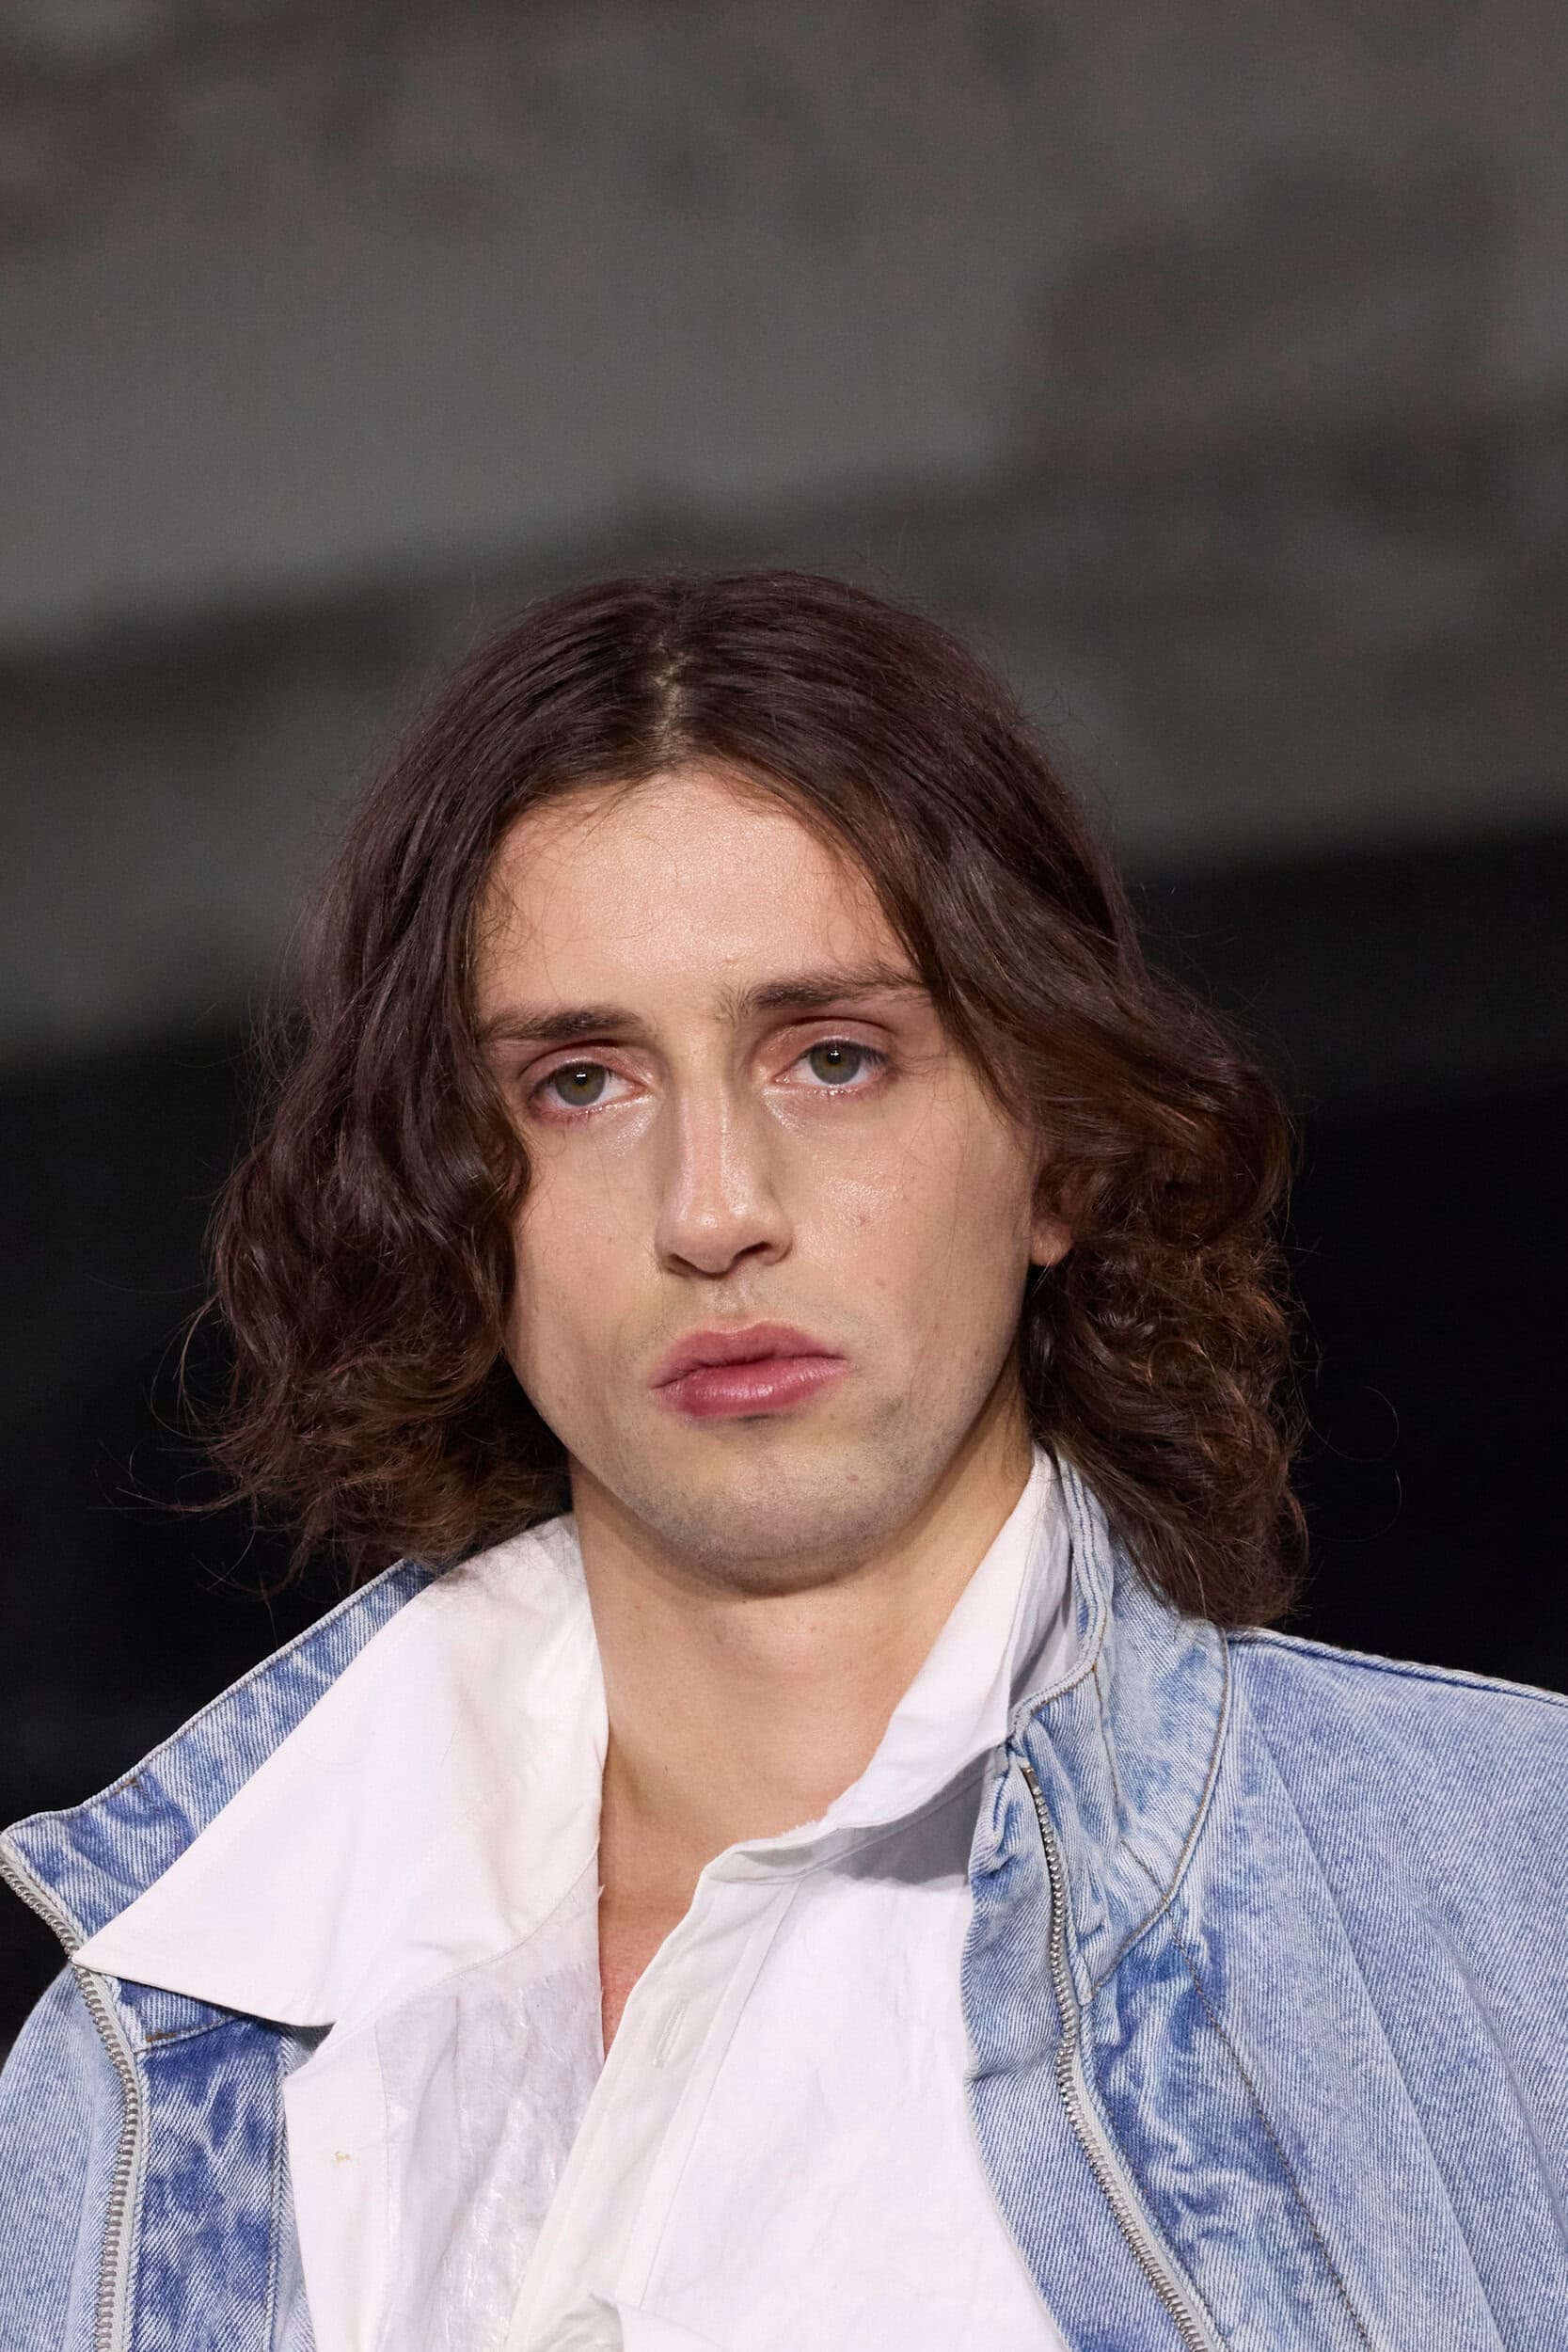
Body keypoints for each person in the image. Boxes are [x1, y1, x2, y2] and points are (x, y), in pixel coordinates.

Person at [0, 570, 1563, 2352]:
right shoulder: (154, 2045)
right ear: (449, 1207)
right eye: (581, 1084)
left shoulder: (1508, 1899)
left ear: (1060, 1153)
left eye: (833, 1057)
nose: (715, 1208)